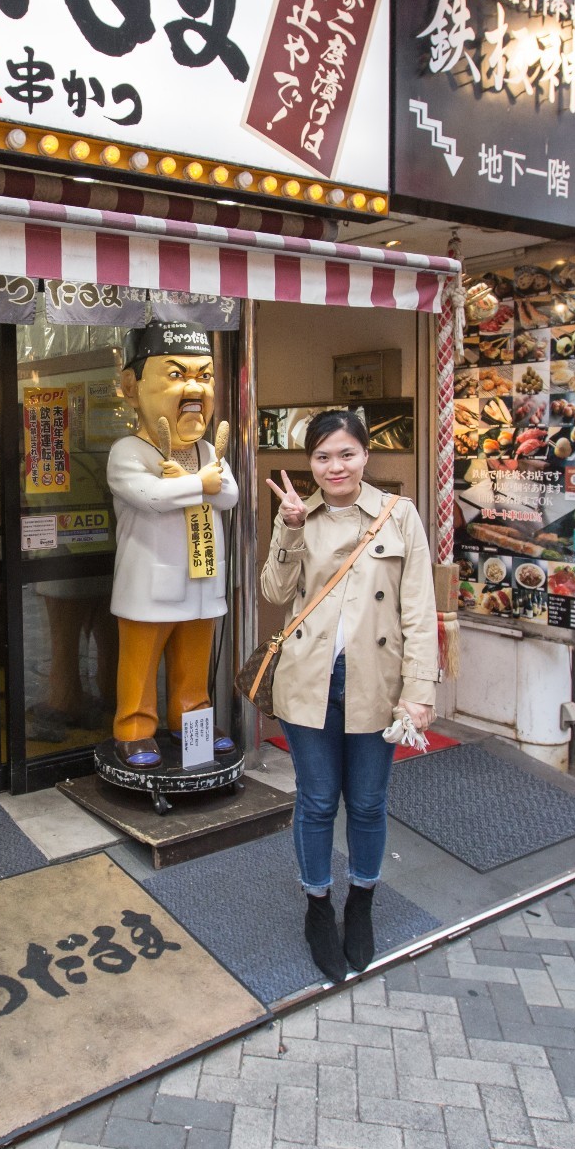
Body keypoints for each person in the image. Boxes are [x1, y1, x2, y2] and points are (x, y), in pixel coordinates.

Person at [260, 409, 439, 984]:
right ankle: (317, 906)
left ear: (366, 456)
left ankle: (360, 900)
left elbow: (418, 610)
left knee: (366, 802)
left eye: (345, 454)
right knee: (315, 801)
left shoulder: (400, 516)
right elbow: (273, 591)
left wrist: (420, 690)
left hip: (376, 683)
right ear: (309, 462)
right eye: (321, 456)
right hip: (310, 681)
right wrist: (287, 528)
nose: (334, 466)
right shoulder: (297, 515)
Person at [106, 321, 238, 769]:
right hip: (150, 584)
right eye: (177, 375)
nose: (194, 390)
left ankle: (193, 722)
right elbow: (151, 497)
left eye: (204, 376)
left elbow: (231, 494)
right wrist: (202, 484)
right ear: (131, 386)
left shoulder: (206, 449)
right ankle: (135, 729)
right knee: (141, 662)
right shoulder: (129, 451)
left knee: (195, 662)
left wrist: (201, 483)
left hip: (203, 579)